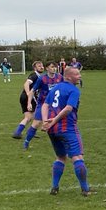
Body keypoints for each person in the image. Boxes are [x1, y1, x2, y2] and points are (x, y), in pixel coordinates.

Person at [42, 66, 91, 196]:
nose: (80, 76)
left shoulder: (55, 88)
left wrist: (45, 121)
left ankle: (55, 187)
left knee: (60, 157)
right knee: (77, 157)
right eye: (77, 74)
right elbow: (69, 108)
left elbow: (45, 105)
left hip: (52, 130)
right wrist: (54, 120)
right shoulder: (74, 90)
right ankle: (85, 189)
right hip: (67, 128)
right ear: (69, 77)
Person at [24, 60, 61, 149]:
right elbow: (32, 91)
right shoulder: (42, 78)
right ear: (47, 68)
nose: (54, 68)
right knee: (36, 123)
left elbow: (64, 88)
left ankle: (61, 143)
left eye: (55, 67)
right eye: (52, 67)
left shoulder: (60, 77)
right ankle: (26, 142)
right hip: (43, 104)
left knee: (58, 123)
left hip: (55, 105)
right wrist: (29, 103)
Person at [11, 61, 44, 138]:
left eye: (42, 66)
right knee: (39, 114)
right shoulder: (34, 75)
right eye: (39, 66)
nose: (41, 67)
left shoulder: (40, 76)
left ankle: (18, 132)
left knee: (28, 117)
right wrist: (28, 93)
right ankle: (31, 131)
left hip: (23, 97)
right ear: (35, 68)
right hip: (28, 97)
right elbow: (26, 83)